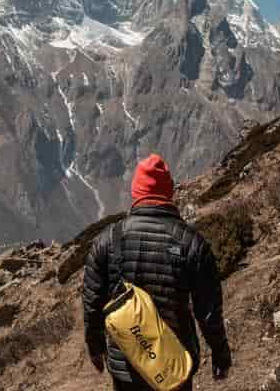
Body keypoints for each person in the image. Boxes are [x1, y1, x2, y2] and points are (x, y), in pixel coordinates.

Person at [83, 154, 232, 390]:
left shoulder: (107, 240)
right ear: (169, 192)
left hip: (126, 361)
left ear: (136, 192)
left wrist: (95, 347)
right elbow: (209, 311)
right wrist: (220, 354)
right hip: (173, 363)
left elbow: (92, 303)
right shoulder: (192, 243)